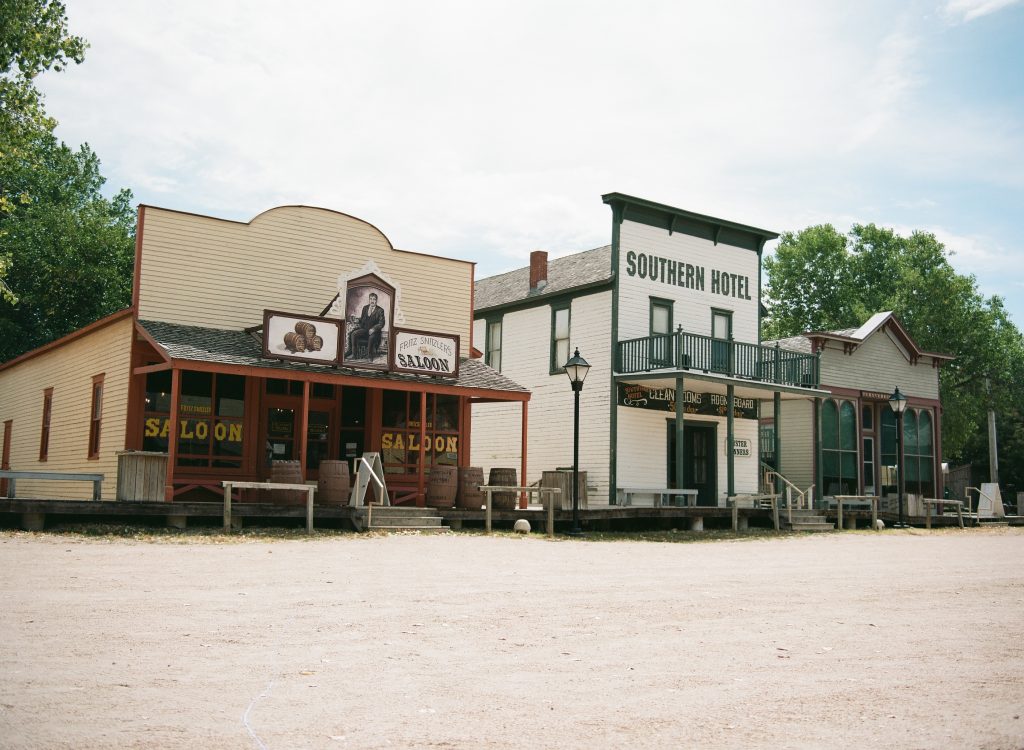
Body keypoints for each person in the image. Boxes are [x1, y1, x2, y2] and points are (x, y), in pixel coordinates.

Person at [345, 292, 386, 359]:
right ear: (369, 300)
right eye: (371, 299)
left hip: (375, 332)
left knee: (371, 337)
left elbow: (381, 323)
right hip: (365, 330)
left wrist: (374, 329)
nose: (372, 301)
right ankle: (353, 354)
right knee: (353, 334)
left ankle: (370, 356)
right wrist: (357, 320)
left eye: (374, 299)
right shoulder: (365, 308)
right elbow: (362, 319)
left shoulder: (380, 310)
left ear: (376, 301)